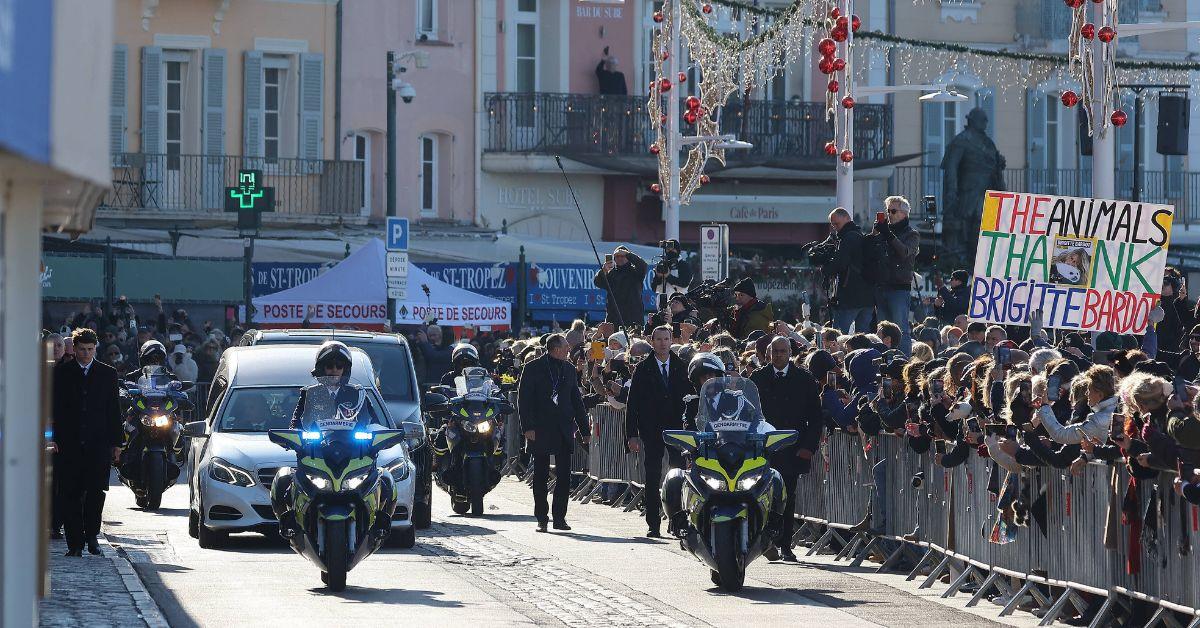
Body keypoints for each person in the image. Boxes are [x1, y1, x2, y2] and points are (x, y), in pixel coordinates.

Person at [749, 336, 823, 561]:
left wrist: (809, 447)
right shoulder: (758, 378)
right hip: (763, 447)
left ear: (790, 353)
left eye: (783, 351)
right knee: (761, 495)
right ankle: (764, 540)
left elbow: (815, 417)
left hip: (792, 447)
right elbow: (748, 412)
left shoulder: (804, 379)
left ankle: (785, 545)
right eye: (775, 351)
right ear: (768, 353)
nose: (779, 355)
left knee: (787, 498)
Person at [50, 329, 123, 557]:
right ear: (74, 348)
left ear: (95, 348)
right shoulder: (62, 373)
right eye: (82, 349)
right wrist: (51, 438)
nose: (85, 354)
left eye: (90, 349)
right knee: (69, 493)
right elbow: (53, 408)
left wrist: (117, 443)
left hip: (97, 443)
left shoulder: (107, 373)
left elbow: (114, 410)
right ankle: (75, 543)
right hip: (68, 443)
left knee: (95, 492)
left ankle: (92, 536)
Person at [517, 333, 588, 532]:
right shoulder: (532, 368)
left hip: (563, 428)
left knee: (564, 475)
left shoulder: (569, 369)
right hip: (540, 428)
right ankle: (542, 517)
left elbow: (576, 400)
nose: (569, 349)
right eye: (566, 347)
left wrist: (584, 429)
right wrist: (527, 427)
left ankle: (559, 518)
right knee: (540, 475)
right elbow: (524, 400)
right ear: (556, 349)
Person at [625, 325, 691, 537]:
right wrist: (631, 434)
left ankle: (678, 520)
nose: (663, 343)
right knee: (652, 476)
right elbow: (632, 403)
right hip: (651, 430)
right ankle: (653, 523)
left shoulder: (682, 367)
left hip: (676, 429)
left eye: (666, 339)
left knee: (678, 474)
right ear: (652, 342)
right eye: (659, 339)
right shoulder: (643, 369)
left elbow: (691, 399)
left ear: (671, 341)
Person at [872, 196, 920, 356]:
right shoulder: (884, 232)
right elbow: (871, 251)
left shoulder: (912, 234)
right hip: (882, 286)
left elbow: (904, 252)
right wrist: (875, 234)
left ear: (904, 214)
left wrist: (887, 234)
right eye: (888, 211)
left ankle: (903, 360)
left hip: (899, 288)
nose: (889, 214)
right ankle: (883, 359)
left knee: (901, 328)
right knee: (881, 330)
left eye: (893, 211)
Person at [824, 207, 875, 334]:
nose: (835, 227)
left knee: (838, 335)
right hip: (868, 296)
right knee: (863, 337)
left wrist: (826, 268)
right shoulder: (860, 236)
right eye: (833, 224)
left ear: (847, 218)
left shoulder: (848, 238)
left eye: (837, 224)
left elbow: (840, 263)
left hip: (850, 296)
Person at [594, 246, 648, 328]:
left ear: (628, 258)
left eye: (623, 256)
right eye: (617, 256)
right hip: (614, 317)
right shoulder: (611, 273)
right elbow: (598, 283)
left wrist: (628, 254)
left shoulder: (636, 272)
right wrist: (603, 270)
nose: (620, 258)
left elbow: (643, 265)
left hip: (633, 316)